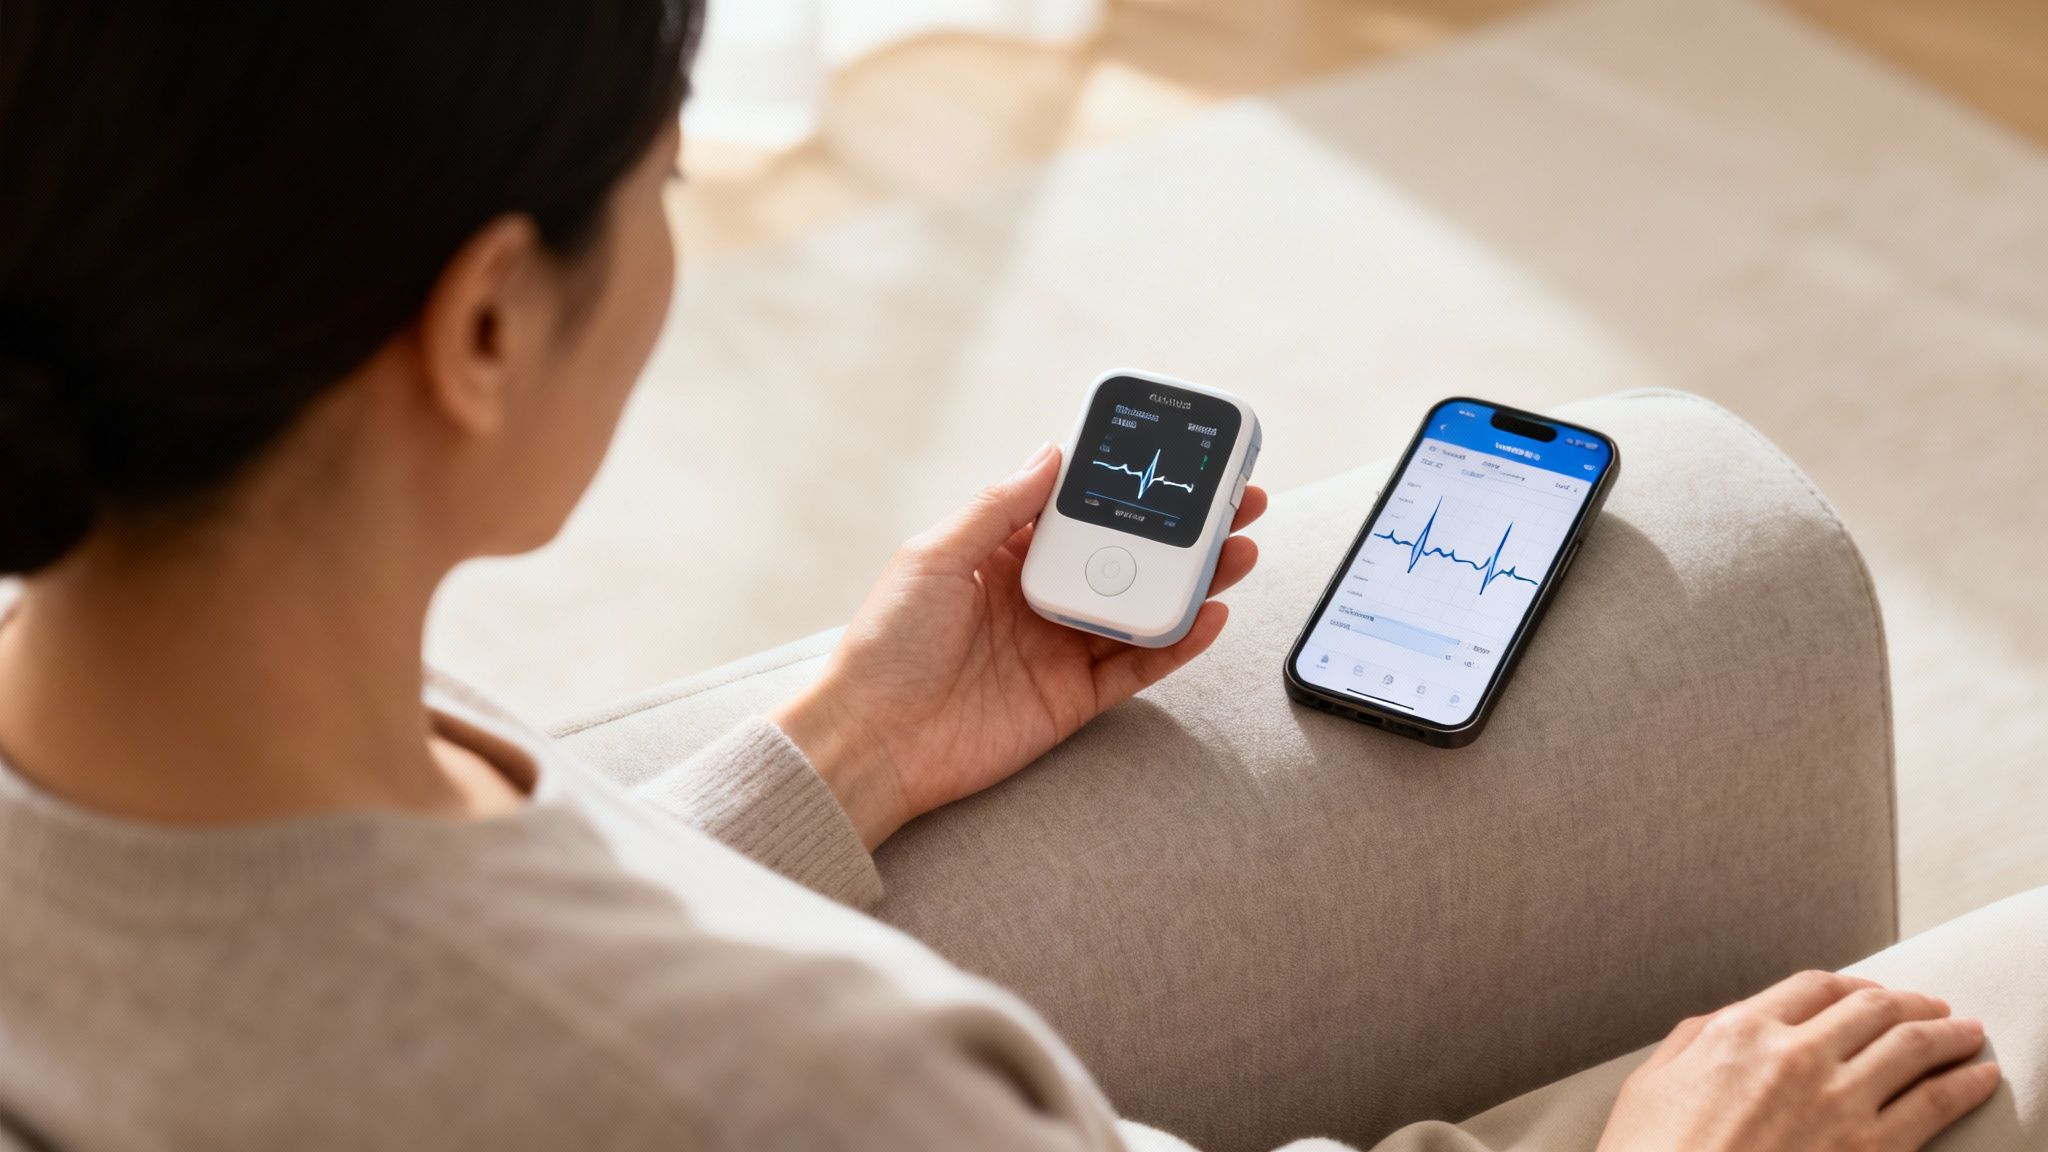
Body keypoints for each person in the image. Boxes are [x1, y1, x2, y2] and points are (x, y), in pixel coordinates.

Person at [0, 2, 2001, 1149]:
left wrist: (839, 750)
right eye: (657, 187)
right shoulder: (796, 1085)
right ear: (485, 331)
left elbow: (357, 983)